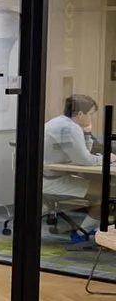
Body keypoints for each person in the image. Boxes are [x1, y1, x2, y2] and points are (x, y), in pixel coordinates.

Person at [43, 94, 116, 241]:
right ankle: (82, 235)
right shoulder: (70, 128)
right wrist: (108, 159)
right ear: (81, 114)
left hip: (46, 176)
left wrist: (87, 134)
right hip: (51, 181)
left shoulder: (58, 122)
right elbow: (84, 160)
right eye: (90, 114)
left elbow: (81, 154)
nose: (91, 118)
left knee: (99, 186)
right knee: (107, 193)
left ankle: (92, 227)